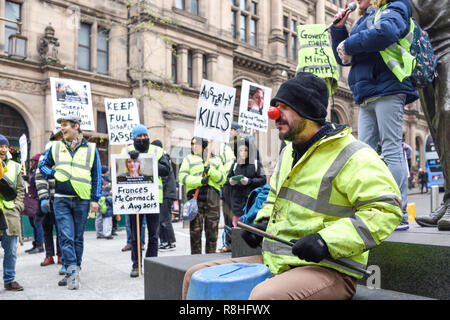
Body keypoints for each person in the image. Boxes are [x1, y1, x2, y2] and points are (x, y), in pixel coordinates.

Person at [182, 72, 403, 300]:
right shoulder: (288, 152)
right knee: (195, 276)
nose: (274, 114)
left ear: (307, 110)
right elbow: (275, 196)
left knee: (264, 297)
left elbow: (386, 210)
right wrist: (263, 223)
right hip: (280, 259)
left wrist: (325, 241)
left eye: (283, 107)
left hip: (331, 267)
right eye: (274, 107)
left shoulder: (354, 154)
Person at [330, 0, 418, 231]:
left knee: (391, 149)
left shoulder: (395, 7)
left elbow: (386, 33)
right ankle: (369, 209)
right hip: (366, 90)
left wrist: (349, 43)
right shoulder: (364, 17)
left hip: (388, 86)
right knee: (364, 153)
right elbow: (344, 57)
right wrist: (339, 30)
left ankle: (398, 214)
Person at [39, 115, 102, 290]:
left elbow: (96, 175)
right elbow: (42, 166)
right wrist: (53, 174)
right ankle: (72, 272)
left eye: (65, 125)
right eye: (61, 126)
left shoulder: (91, 149)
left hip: (82, 199)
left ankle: (73, 269)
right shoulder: (55, 147)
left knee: (77, 238)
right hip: (61, 200)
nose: (62, 129)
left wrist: (95, 199)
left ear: (76, 126)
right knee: (65, 237)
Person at [410, 0, 450, 230]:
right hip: (425, 55)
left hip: (448, 43)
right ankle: (448, 200)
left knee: (447, 113)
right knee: (436, 125)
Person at [121, 124, 171, 277]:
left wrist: (144, 160)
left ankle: (152, 264)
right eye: (139, 136)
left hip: (153, 199)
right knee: (135, 235)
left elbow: (166, 170)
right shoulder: (126, 151)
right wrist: (131, 158)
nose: (143, 139)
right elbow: (121, 171)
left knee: (154, 234)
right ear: (134, 138)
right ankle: (136, 265)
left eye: (145, 136)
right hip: (134, 200)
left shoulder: (157, 150)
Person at [179, 137, 226, 255]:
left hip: (212, 200)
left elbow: (222, 179)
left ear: (204, 146)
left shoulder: (216, 160)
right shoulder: (188, 159)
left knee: (212, 232)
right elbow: (182, 177)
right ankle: (195, 260)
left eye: (197, 144)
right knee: (195, 233)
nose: (194, 147)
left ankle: (209, 260)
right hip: (195, 199)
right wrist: (199, 181)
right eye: (192, 144)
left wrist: (210, 171)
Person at [35, 129, 64, 270]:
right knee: (47, 228)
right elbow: (40, 177)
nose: (61, 139)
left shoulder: (66, 153)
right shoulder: (46, 155)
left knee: (61, 229)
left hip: (61, 197)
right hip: (48, 198)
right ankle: (49, 255)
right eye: (58, 137)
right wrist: (43, 197)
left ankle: (60, 255)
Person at [0, 134, 25, 291]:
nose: (2, 149)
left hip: (9, 213)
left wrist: (18, 206)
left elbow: (20, 189)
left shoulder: (15, 166)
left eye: (4, 146)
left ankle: (9, 280)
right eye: (0, 146)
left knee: (10, 250)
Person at [226, 137, 266, 223]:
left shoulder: (256, 164)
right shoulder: (235, 164)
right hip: (236, 204)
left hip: (251, 203)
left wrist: (249, 181)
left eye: (245, 150)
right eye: (240, 150)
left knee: (248, 229)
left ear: (249, 151)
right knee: (237, 230)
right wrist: (231, 181)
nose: (243, 153)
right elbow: (227, 179)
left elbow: (263, 180)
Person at [151, 140, 177, 251]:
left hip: (166, 194)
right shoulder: (165, 158)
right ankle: (166, 241)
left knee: (164, 219)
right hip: (166, 194)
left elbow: (164, 179)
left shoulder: (163, 159)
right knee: (163, 219)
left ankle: (169, 242)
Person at [218, 122, 241, 252]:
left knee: (236, 215)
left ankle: (236, 243)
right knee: (227, 214)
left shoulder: (243, 146)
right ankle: (227, 243)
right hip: (226, 184)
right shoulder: (224, 146)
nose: (230, 132)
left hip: (238, 185)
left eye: (233, 129)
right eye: (230, 129)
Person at [22, 153, 44, 254]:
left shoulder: (40, 171)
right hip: (30, 202)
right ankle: (35, 244)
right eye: (31, 161)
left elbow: (37, 183)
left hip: (36, 201)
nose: (31, 163)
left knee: (37, 223)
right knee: (33, 223)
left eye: (33, 161)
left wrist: (29, 179)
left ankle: (40, 245)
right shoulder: (31, 171)